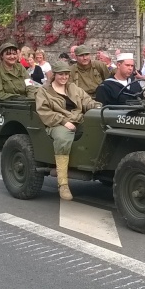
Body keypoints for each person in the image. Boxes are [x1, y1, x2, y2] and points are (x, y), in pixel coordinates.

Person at [36, 60, 102, 200]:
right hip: (56, 123)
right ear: (54, 75)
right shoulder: (45, 91)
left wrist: (97, 107)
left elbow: (86, 101)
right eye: (61, 74)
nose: (64, 77)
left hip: (78, 119)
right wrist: (64, 121)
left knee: (98, 130)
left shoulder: (73, 88)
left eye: (66, 74)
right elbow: (44, 111)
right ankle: (63, 184)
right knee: (63, 138)